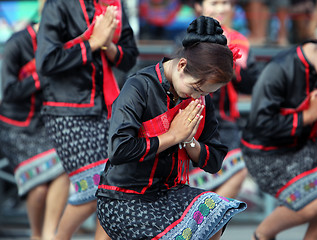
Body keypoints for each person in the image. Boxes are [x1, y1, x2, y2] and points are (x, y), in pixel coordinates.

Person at [95, 16, 247, 240]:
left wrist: (188, 139)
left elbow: (214, 162)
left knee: (216, 211)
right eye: (196, 88)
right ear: (182, 65)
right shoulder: (139, 86)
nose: (198, 97)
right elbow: (119, 150)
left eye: (206, 93)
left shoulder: (200, 96)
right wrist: (172, 135)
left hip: (167, 192)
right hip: (123, 197)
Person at [241, 16, 317, 240]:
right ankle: (261, 235)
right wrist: (310, 114)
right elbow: (262, 125)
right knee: (315, 205)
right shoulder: (279, 70)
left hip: (304, 145)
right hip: (265, 153)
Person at [35, 0, 139, 239]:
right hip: (67, 111)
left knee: (115, 188)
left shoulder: (116, 4)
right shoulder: (59, 5)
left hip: (109, 109)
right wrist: (92, 42)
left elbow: (129, 57)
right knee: (95, 187)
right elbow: (46, 61)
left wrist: (107, 45)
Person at [0, 1, 70, 239]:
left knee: (65, 167)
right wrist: (42, 77)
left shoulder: (60, 48)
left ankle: (50, 235)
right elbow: (8, 91)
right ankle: (37, 235)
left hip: (44, 127)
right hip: (14, 128)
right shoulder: (17, 43)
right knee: (38, 190)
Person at [189, 0, 260, 199]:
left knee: (239, 169)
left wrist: (232, 62)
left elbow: (251, 84)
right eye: (214, 3)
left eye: (225, 3)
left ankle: (206, 219)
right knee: (194, 189)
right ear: (198, 7)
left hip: (225, 124)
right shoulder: (187, 38)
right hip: (191, 124)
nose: (220, 9)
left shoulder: (239, 41)